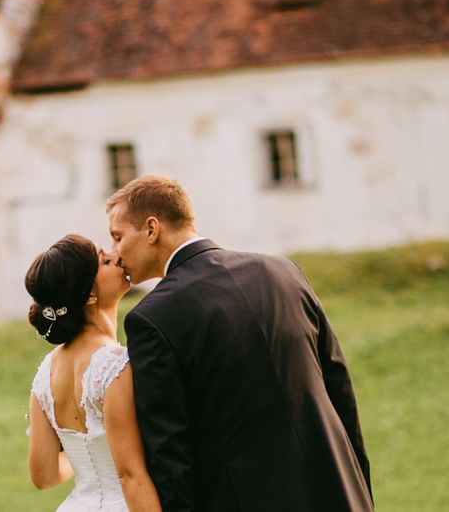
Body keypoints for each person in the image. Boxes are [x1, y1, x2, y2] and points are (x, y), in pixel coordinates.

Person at [107, 175, 374, 512]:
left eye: (117, 237)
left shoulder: (152, 317)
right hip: (337, 489)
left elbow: (170, 454)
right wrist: (359, 491)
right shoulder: (283, 272)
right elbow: (340, 392)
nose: (115, 253)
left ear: (151, 229)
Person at [25, 234, 163, 512]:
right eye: (104, 260)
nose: (117, 256)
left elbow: (45, 476)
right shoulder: (114, 366)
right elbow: (130, 476)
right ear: (89, 294)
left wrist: (88, 460)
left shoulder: (45, 375)